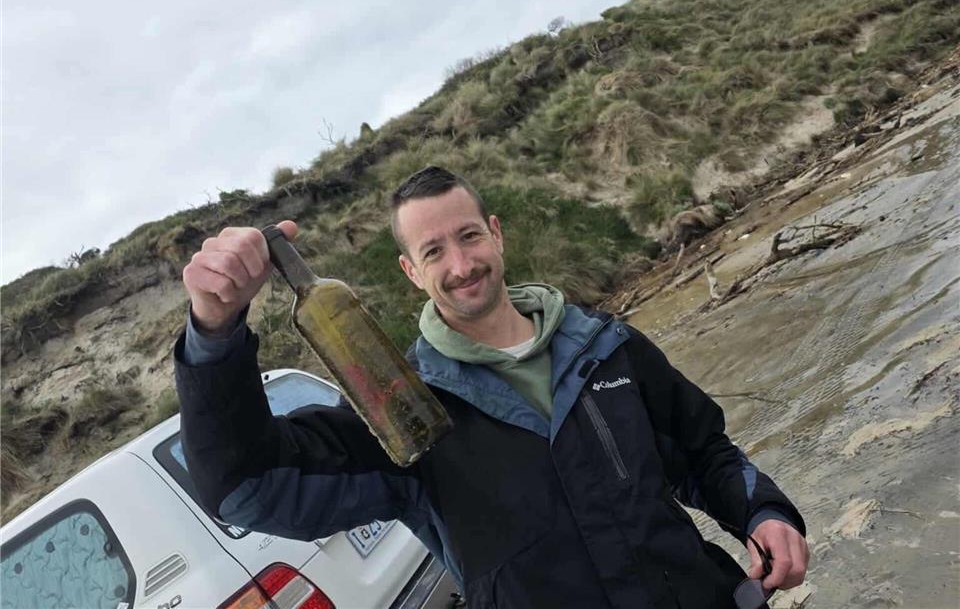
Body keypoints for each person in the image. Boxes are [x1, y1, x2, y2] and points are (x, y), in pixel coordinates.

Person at [174, 166, 809, 608]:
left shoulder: (606, 345)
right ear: (410, 271)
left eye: (469, 235)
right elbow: (246, 491)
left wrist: (764, 512)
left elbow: (704, 452)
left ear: (497, 233)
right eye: (433, 252)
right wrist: (214, 331)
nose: (461, 265)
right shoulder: (401, 410)